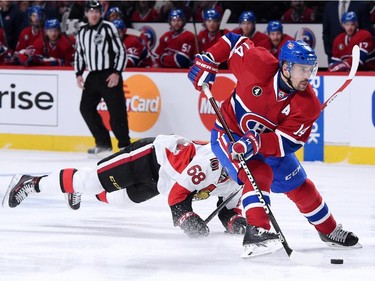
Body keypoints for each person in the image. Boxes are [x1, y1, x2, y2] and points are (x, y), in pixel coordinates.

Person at [187, 33, 361, 257]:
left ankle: (329, 231)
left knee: (300, 186)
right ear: (286, 67)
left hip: (263, 145)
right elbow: (232, 42)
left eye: (311, 69)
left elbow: (286, 143)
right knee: (259, 174)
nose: (308, 75)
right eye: (302, 69)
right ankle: (257, 232)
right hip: (228, 135)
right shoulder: (257, 63)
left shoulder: (308, 105)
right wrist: (209, 59)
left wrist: (256, 141)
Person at [2, 134, 246, 238]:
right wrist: (187, 219)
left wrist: (238, 224)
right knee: (90, 180)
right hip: (150, 157)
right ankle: (32, 183)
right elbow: (177, 198)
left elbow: (228, 210)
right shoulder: (211, 163)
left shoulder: (239, 181)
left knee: (121, 200)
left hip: (162, 181)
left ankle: (80, 190)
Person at [74, 1, 131, 155]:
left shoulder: (108, 27)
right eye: (91, 11)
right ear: (86, 13)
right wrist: (79, 73)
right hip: (92, 75)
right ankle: (103, 143)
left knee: (117, 111)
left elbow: (121, 51)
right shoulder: (82, 32)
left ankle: (124, 145)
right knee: (85, 108)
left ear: (101, 13)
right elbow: (79, 54)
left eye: (97, 11)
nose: (94, 14)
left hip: (109, 74)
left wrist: (117, 72)